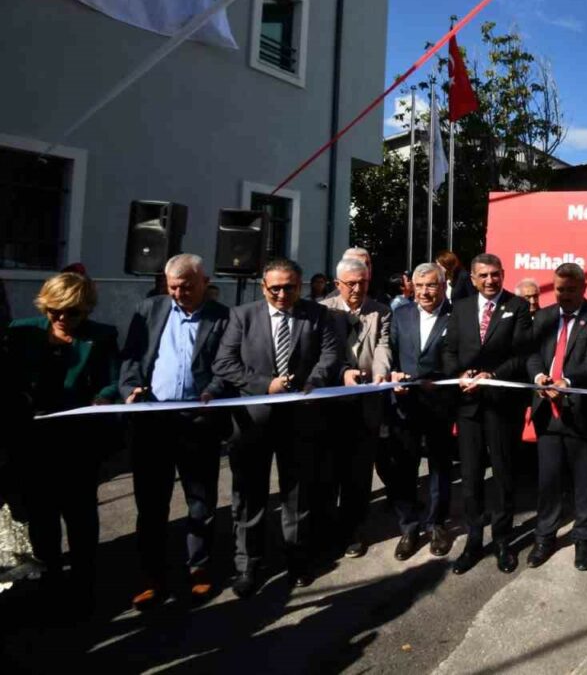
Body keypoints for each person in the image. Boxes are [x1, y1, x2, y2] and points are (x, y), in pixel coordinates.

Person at [212, 257, 342, 596]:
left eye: (289, 288)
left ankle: (298, 560)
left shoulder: (317, 314)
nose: (282, 295)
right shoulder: (242, 316)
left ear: (300, 285)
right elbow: (224, 363)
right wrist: (263, 385)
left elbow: (330, 355)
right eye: (275, 289)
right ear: (263, 287)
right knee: (249, 496)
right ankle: (248, 565)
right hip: (253, 421)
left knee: (297, 496)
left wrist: (314, 381)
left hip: (300, 419)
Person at [118, 253, 231, 609]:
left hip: (198, 422)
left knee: (201, 502)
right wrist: (130, 390)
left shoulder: (222, 316)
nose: (180, 294)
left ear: (204, 282)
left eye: (187, 287)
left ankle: (198, 568)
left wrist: (214, 390)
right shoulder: (148, 310)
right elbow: (131, 359)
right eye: (173, 287)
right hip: (153, 423)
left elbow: (225, 366)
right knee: (151, 505)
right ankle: (152, 577)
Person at [1, 272, 118, 608]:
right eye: (55, 311)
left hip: (78, 443)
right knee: (41, 516)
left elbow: (112, 380)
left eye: (73, 312)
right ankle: (50, 579)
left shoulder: (101, 336)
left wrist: (104, 397)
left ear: (87, 308)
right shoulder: (21, 332)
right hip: (32, 442)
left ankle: (83, 584)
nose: (63, 318)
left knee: (80, 516)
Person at [442, 253, 533, 575]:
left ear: (503, 274)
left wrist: (492, 376)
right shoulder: (461, 307)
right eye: (483, 275)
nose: (490, 280)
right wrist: (460, 374)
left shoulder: (517, 307)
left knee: (504, 475)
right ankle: (474, 540)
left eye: (495, 274)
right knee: (470, 478)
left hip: (502, 405)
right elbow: (450, 349)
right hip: (468, 405)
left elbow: (522, 354)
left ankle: (503, 540)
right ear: (473, 278)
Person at [526, 263, 587, 570]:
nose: (564, 295)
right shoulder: (543, 317)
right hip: (546, 410)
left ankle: (584, 538)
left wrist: (567, 382)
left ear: (584, 288)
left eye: (571, 290)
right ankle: (545, 536)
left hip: (581, 413)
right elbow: (531, 353)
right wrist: (539, 377)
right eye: (560, 289)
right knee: (548, 478)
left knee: (584, 480)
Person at [318, 256, 392, 559]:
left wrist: (380, 374)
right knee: (327, 472)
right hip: (331, 403)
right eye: (351, 284)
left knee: (359, 474)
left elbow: (383, 346)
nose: (358, 289)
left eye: (363, 283)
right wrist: (341, 373)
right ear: (338, 284)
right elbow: (321, 353)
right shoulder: (323, 310)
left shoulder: (381, 311)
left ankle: (353, 530)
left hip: (366, 401)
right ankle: (325, 531)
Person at [384, 262, 456, 560]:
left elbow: (460, 357)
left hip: (439, 404)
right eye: (420, 285)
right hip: (405, 404)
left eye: (431, 285)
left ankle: (437, 524)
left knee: (440, 467)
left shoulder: (457, 315)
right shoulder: (401, 314)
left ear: (443, 286)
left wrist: (439, 380)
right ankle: (409, 527)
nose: (425, 292)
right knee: (404, 467)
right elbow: (391, 352)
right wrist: (393, 376)